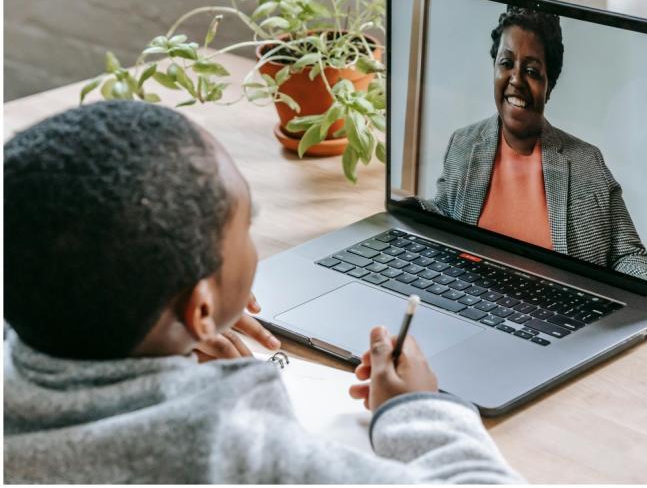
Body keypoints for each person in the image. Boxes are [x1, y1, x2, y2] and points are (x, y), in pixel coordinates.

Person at [3, 100, 522, 483]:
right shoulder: (232, 454)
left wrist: (172, 334)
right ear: (200, 308)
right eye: (246, 224)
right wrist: (412, 411)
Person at [422, 6, 647, 285]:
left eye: (531, 71)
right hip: (467, 302)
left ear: (549, 86)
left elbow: (629, 256)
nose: (516, 79)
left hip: (557, 317)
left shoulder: (586, 161)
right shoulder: (464, 143)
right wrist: (410, 213)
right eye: (506, 63)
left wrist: (642, 307)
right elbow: (444, 215)